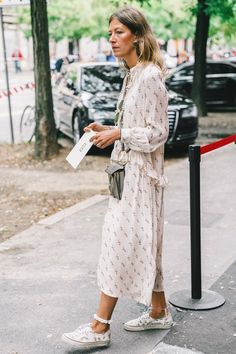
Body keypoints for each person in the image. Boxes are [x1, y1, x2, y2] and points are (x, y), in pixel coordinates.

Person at [62, 5, 173, 351]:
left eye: (119, 32)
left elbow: (158, 132)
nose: (111, 39)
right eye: (110, 33)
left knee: (117, 244)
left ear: (137, 36)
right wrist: (109, 130)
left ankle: (100, 326)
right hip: (127, 173)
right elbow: (135, 126)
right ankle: (158, 311)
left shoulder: (150, 76)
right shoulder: (133, 73)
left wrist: (120, 134)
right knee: (144, 244)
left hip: (142, 177)